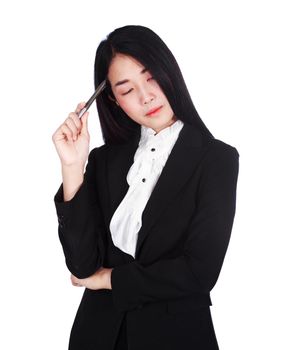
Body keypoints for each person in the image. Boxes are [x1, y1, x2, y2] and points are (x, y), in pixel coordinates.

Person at [52, 25, 239, 350]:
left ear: (170, 72)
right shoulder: (103, 160)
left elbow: (199, 272)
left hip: (177, 338)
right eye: (126, 89)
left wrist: (109, 280)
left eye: (151, 76)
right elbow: (82, 266)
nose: (145, 96)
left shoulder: (216, 160)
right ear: (112, 99)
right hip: (97, 337)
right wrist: (72, 165)